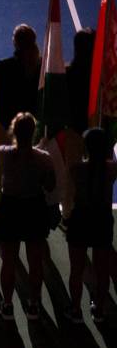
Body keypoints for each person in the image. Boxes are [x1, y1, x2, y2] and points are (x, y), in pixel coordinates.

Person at [0, 112, 56, 321]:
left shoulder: (2, 152)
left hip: (10, 209)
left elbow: (1, 180)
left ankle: (8, 304)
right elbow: (50, 186)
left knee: (9, 262)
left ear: (14, 131)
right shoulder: (43, 158)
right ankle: (34, 304)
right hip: (33, 210)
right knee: (35, 261)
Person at [64, 127, 116, 324]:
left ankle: (75, 308)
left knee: (76, 269)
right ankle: (99, 309)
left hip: (81, 219)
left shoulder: (77, 169)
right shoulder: (111, 169)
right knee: (102, 270)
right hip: (102, 220)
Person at [0, 24, 40, 148]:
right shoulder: (42, 68)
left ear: (15, 42)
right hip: (33, 130)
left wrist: (4, 123)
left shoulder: (1, 67)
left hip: (5, 130)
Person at [64, 28, 96, 215]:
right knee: (95, 172)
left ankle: (67, 213)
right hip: (96, 128)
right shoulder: (99, 76)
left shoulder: (68, 72)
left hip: (73, 130)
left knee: (71, 173)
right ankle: (93, 210)